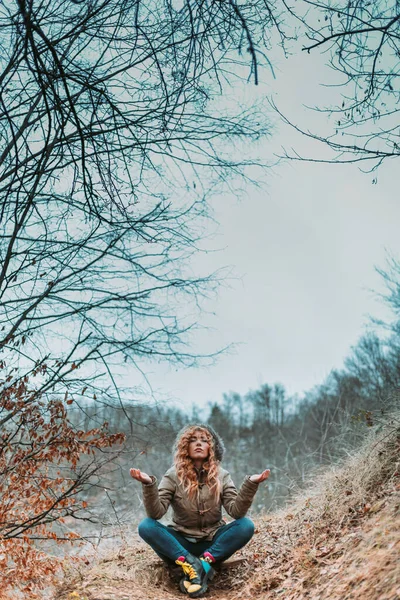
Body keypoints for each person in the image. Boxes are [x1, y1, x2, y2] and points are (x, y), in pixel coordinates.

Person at [130, 423, 270, 598]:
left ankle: (201, 564)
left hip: (213, 543)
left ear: (211, 448)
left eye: (204, 440)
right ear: (185, 446)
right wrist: (148, 484)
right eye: (193, 440)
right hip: (180, 545)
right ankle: (193, 564)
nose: (198, 444)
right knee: (146, 526)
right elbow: (156, 513)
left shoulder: (222, 475)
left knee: (246, 525)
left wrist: (251, 484)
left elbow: (236, 512)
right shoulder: (173, 475)